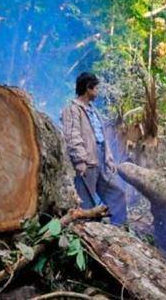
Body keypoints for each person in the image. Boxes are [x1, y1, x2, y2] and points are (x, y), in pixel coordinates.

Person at [61, 72, 127, 225]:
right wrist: (79, 161)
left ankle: (120, 230)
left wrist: (109, 157)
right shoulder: (72, 109)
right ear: (88, 88)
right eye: (96, 88)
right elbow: (72, 136)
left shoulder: (94, 111)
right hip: (87, 161)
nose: (97, 91)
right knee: (86, 203)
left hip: (101, 159)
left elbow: (102, 137)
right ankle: (88, 236)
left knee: (117, 194)